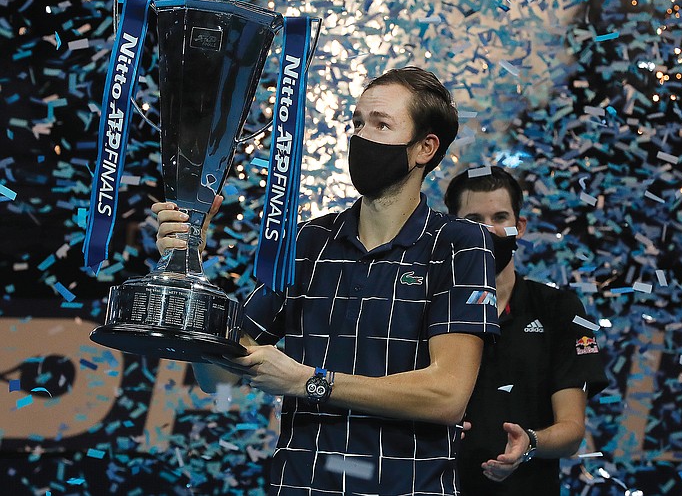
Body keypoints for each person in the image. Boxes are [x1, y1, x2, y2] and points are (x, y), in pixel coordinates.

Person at [153, 66, 500, 495]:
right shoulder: (308, 241)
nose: (360, 137)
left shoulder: (460, 244)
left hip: (408, 487)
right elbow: (218, 377)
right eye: (357, 123)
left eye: (381, 124)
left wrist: (308, 381)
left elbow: (446, 396)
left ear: (425, 148)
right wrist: (189, 263)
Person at [444, 166, 609, 495]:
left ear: (519, 226)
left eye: (500, 217)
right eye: (474, 220)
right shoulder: (429, 306)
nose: (489, 230)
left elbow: (572, 430)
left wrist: (530, 442)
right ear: (452, 229)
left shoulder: (560, 309)